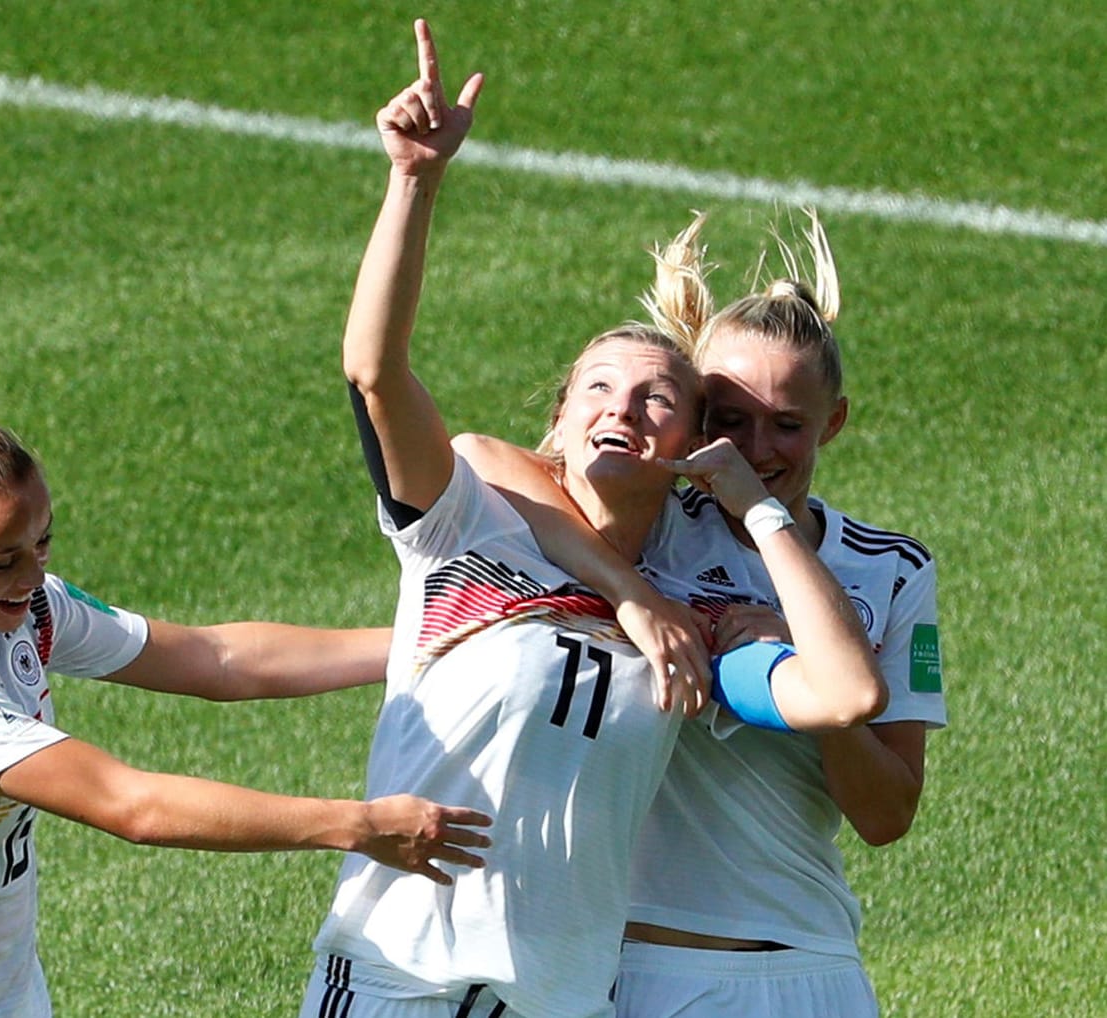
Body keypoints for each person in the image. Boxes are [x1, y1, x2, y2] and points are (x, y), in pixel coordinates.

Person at [298, 22, 887, 1018]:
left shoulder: (691, 615)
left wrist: (747, 521)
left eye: (657, 396)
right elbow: (376, 373)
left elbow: (840, 692)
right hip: (403, 988)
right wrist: (412, 182)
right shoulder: (466, 533)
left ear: (695, 446)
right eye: (597, 389)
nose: (622, 407)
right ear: (558, 425)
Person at [0, 380, 493, 1018]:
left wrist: (436, 636)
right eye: (3, 559)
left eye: (42, 545)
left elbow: (219, 659)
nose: (31, 576)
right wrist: (356, 826)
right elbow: (132, 805)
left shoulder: (12, 609)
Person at [459, 212, 945, 1016]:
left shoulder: (892, 570)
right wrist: (633, 592)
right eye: (729, 420)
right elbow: (483, 458)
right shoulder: (645, 530)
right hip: (646, 965)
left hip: (816, 963)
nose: (756, 450)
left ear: (834, 422)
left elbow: (888, 814)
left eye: (788, 425)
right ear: (690, 418)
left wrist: (808, 671)